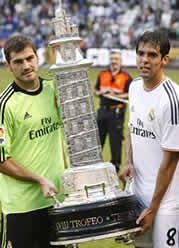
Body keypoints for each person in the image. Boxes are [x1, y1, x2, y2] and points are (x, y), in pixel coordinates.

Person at [0, 34, 66, 248]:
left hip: (58, 201)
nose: (26, 65)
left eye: (30, 58)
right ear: (8, 65)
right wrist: (39, 179)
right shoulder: (5, 105)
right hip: (22, 207)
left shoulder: (53, 91)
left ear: (37, 58)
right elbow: (2, 160)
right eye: (18, 61)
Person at [120, 30, 179, 248]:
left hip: (167, 203)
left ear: (164, 59)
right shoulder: (134, 86)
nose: (145, 60)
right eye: (140, 53)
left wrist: (153, 208)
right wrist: (128, 161)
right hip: (139, 197)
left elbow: (171, 160)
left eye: (152, 55)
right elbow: (132, 128)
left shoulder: (172, 99)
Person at [94, 50, 132, 173]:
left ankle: (115, 170)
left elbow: (129, 94)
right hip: (102, 112)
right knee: (97, 142)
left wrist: (115, 94)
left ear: (121, 61)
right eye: (112, 59)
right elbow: (96, 91)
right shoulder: (102, 74)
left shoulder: (126, 77)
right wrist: (102, 93)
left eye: (116, 59)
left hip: (116, 113)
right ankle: (95, 168)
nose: (114, 61)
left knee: (115, 143)